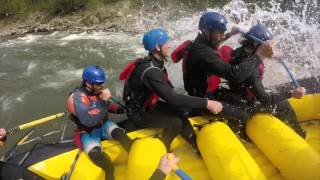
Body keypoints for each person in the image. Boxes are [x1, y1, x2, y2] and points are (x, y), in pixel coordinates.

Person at [119, 28, 223, 150]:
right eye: (166, 43)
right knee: (175, 122)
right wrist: (206, 103)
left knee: (184, 110)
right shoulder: (151, 71)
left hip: (148, 105)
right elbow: (173, 98)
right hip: (138, 113)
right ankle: (163, 148)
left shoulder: (155, 63)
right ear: (158, 47)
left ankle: (195, 144)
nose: (169, 46)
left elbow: (170, 95)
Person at [179, 11, 274, 138]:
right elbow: (234, 76)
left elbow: (215, 42)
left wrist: (230, 34)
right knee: (244, 115)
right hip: (202, 98)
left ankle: (232, 127)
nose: (221, 36)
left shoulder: (200, 42)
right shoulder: (203, 54)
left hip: (208, 91)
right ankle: (236, 137)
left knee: (244, 105)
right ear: (207, 31)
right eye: (219, 32)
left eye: (223, 32)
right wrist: (259, 56)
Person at [228, 24, 306, 137]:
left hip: (239, 95)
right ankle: (301, 134)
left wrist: (276, 56)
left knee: (275, 93)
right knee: (285, 106)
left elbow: (262, 53)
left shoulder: (241, 51)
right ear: (256, 43)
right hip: (246, 104)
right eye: (267, 46)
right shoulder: (252, 70)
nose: (270, 49)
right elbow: (265, 99)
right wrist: (292, 93)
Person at [67, 65, 133, 180]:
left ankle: (134, 156)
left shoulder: (97, 91)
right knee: (97, 156)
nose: (102, 85)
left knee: (120, 134)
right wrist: (103, 100)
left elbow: (107, 107)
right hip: (88, 131)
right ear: (88, 83)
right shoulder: (76, 98)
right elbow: (88, 121)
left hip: (103, 125)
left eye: (103, 82)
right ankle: (110, 172)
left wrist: (121, 109)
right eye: (99, 83)